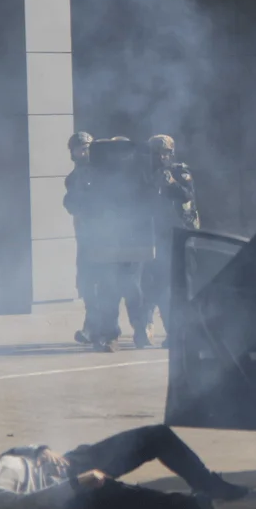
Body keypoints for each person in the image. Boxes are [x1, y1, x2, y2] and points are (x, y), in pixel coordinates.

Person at [0, 425, 249, 509]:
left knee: (156, 436)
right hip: (69, 491)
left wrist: (42, 449)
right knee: (122, 495)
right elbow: (29, 503)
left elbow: (11, 451)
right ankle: (188, 503)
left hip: (71, 461)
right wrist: (77, 484)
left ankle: (209, 483)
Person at [66, 137, 154, 351]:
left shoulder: (138, 174)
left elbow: (150, 201)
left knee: (132, 287)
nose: (118, 157)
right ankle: (110, 334)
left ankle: (141, 328)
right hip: (104, 239)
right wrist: (84, 194)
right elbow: (71, 202)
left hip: (132, 239)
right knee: (107, 288)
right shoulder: (90, 175)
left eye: (122, 152)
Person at [140, 134, 200, 347]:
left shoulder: (180, 171)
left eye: (163, 153)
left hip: (181, 235)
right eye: (155, 153)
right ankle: (149, 327)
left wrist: (172, 183)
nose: (159, 157)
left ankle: (180, 332)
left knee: (178, 285)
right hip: (157, 235)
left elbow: (187, 196)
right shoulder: (147, 174)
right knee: (153, 282)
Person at [64, 132, 95, 344]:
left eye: (88, 148)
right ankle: (92, 327)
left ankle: (142, 327)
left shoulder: (101, 173)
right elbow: (73, 206)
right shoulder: (73, 179)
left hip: (109, 235)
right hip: (87, 237)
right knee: (88, 283)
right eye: (80, 148)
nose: (84, 152)